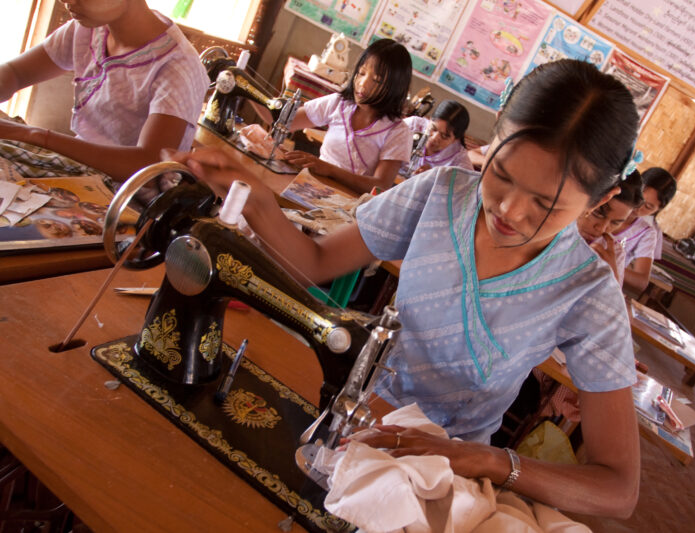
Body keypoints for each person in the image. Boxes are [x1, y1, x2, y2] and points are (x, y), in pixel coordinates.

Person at [173, 58, 641, 517]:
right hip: (350, 424)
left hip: (438, 478)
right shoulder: (441, 193)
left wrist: (486, 460)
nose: (509, 210)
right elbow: (314, 262)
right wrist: (252, 195)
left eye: (545, 204)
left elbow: (617, 489)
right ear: (492, 136)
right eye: (500, 175)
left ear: (600, 200)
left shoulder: (589, 293)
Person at [0, 0, 209, 183]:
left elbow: (147, 164)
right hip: (78, 169)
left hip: (126, 199)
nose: (66, 0)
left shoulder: (177, 66)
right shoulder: (89, 30)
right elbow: (16, 72)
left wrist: (33, 135)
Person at [257, 39, 413, 194]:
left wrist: (328, 169)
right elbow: (281, 121)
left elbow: (380, 187)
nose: (363, 84)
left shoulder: (398, 132)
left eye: (377, 80)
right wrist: (248, 89)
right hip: (313, 188)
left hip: (349, 205)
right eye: (361, 73)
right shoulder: (340, 103)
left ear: (395, 88)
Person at [612, 166, 677, 294]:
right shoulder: (608, 201)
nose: (638, 207)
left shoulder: (645, 233)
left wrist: (611, 265)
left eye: (648, 207)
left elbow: (640, 283)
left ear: (657, 210)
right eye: (639, 197)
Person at [577, 169, 644, 283]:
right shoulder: (552, 227)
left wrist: (611, 274)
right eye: (597, 213)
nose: (602, 228)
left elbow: (611, 299)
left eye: (615, 222)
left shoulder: (613, 254)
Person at [400, 100, 472, 176]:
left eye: (444, 136)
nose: (434, 138)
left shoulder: (459, 164)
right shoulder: (412, 126)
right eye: (433, 128)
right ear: (430, 119)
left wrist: (433, 179)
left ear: (456, 139)